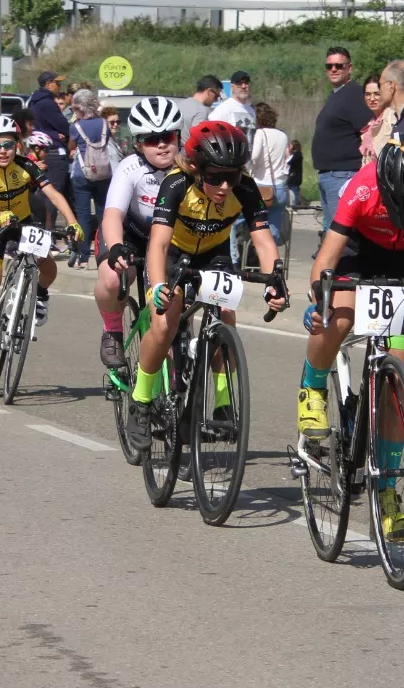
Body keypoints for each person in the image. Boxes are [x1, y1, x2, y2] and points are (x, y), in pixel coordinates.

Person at [295, 138, 404, 538]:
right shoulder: (363, 186)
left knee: (396, 391)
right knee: (339, 319)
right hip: (355, 254)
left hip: (401, 263)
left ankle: (386, 491)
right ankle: (312, 389)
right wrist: (320, 299)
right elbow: (326, 259)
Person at [123, 121, 287, 452]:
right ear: (196, 169)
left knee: (226, 314)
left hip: (214, 255)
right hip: (173, 255)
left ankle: (223, 403)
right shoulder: (176, 184)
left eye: (232, 177)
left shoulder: (245, 189)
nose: (225, 186)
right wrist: (158, 285)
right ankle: (141, 401)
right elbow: (158, 244)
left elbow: (264, 242)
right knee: (164, 322)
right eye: (215, 177)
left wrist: (275, 283)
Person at [0, 114, 82, 377]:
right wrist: (0, 216)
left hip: (24, 224)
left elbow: (53, 194)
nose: (2, 151)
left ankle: (40, 296)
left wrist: (73, 222)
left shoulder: (26, 166)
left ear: (17, 145)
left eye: (8, 145)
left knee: (49, 268)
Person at [95, 96, 183, 373]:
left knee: (175, 304)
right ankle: (112, 331)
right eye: (151, 139)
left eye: (168, 136)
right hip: (130, 235)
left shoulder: (190, 166)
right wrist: (116, 246)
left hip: (169, 241)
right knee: (114, 277)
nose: (161, 144)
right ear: (137, 144)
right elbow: (113, 214)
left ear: (179, 137)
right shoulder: (130, 167)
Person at [312, 46, 367, 229]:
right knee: (331, 229)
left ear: (349, 68)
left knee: (340, 231)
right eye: (329, 66)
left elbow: (367, 130)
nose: (333, 69)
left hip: (343, 174)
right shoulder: (336, 94)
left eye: (339, 66)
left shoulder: (354, 94)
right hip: (329, 173)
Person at [68, 88, 118, 268]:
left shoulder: (75, 126)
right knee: (103, 213)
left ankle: (83, 257)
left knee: (83, 216)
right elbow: (107, 141)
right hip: (103, 172)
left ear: (80, 108)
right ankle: (105, 251)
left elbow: (71, 146)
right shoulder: (104, 123)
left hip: (82, 174)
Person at [27, 71, 74, 231]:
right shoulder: (47, 103)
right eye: (57, 83)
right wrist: (60, 134)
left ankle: (39, 228)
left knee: (43, 192)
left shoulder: (34, 100)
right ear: (48, 84)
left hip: (42, 149)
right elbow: (63, 125)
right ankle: (48, 232)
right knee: (53, 195)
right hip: (54, 151)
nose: (59, 86)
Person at [248, 101, 290, 245]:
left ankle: (247, 253)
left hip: (261, 185)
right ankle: (271, 255)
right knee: (274, 228)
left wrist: (251, 168)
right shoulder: (283, 135)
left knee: (246, 221)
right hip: (279, 186)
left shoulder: (260, 133)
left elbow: (254, 157)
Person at [173, 74, 223, 141]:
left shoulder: (179, 104)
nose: (216, 100)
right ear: (209, 91)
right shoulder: (202, 111)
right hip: (188, 147)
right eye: (216, 96)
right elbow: (198, 139)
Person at [358, 73, 392, 163]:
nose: (372, 99)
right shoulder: (371, 123)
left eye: (377, 94)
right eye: (368, 94)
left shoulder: (390, 118)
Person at [285, 140, 304, 209]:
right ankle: (297, 203)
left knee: (294, 190)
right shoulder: (297, 154)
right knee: (294, 190)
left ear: (294, 146)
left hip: (295, 177)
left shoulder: (297, 154)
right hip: (295, 176)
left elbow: (289, 162)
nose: (288, 147)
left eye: (289, 145)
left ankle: (295, 206)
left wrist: (288, 155)